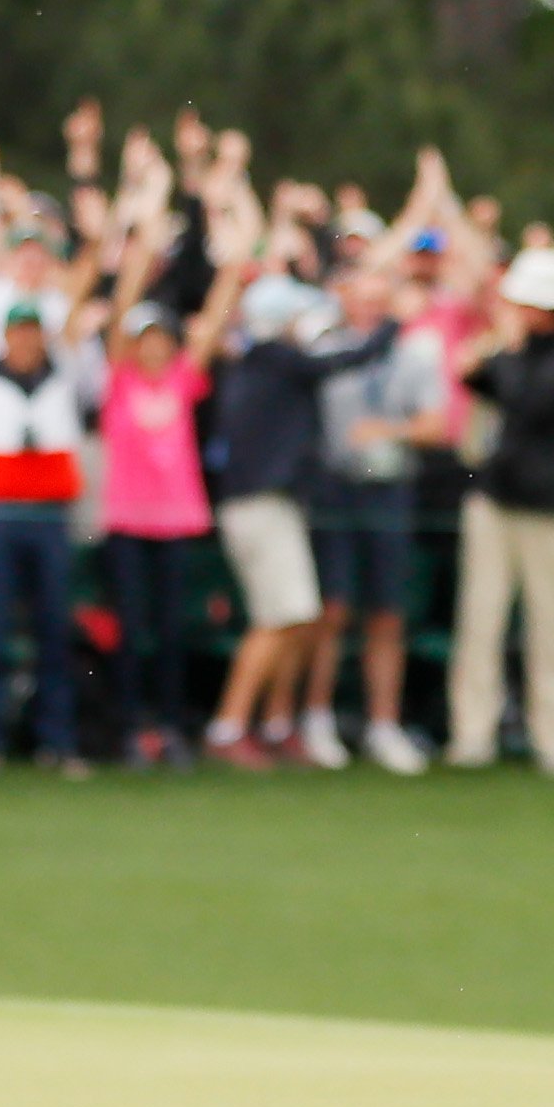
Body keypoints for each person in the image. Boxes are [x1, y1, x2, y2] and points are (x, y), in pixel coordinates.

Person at [446, 249, 554, 777]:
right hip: (497, 502)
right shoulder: (516, 352)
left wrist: (500, 352)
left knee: (550, 627)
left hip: (551, 511)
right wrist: (490, 354)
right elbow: (476, 379)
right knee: (481, 620)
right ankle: (472, 735)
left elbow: (530, 399)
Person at [305, 253, 445, 777]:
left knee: (387, 612)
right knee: (333, 609)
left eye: (378, 303)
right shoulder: (325, 351)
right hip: (335, 490)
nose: (369, 311)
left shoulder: (411, 356)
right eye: (361, 300)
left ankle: (383, 724)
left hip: (389, 489)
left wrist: (390, 432)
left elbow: (434, 425)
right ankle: (316, 719)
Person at [0, 297, 91, 778]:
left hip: (49, 514)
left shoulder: (62, 376)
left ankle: (58, 740)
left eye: (32, 329)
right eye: (17, 330)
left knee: (54, 629)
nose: (25, 339)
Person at [197, 271, 331, 766]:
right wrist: (388, 328)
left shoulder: (257, 363)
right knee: (279, 619)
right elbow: (341, 360)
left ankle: (275, 724)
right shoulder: (274, 360)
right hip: (261, 506)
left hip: (268, 505)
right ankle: (229, 727)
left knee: (294, 618)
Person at [93, 298, 213, 770]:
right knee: (128, 629)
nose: (153, 348)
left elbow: (210, 328)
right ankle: (127, 728)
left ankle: (168, 727)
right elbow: (120, 304)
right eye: (145, 338)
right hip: (126, 522)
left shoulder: (183, 379)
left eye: (161, 338)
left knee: (170, 631)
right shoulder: (119, 382)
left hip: (175, 522)